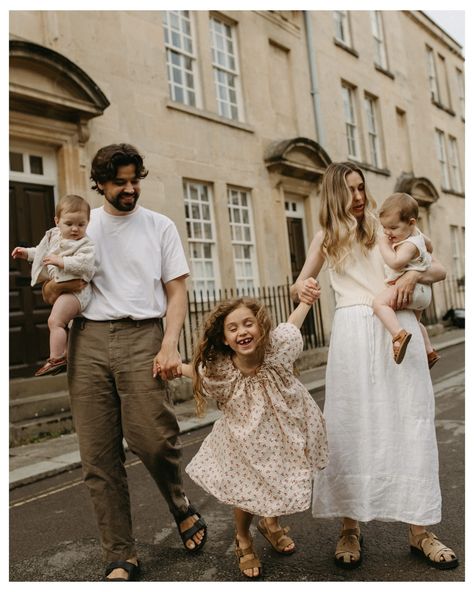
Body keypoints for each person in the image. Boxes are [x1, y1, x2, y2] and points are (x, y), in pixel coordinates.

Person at [42, 143, 207, 581]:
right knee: (98, 455)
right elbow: (49, 284)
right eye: (120, 182)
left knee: (153, 439)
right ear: (100, 184)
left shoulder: (159, 226)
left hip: (143, 336)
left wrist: (170, 343)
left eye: (135, 180)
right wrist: (55, 288)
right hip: (88, 339)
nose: (130, 188)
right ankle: (120, 552)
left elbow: (176, 292)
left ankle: (179, 502)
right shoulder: (80, 224)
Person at [291, 162, 458, 571]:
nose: (360, 196)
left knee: (411, 424)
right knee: (350, 427)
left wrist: (412, 276)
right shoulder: (326, 236)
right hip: (351, 335)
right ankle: (350, 527)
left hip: (396, 328)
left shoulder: (387, 227)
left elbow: (438, 268)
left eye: (362, 187)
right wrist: (302, 286)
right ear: (334, 193)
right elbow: (299, 281)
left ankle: (420, 531)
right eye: (351, 190)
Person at [178, 296, 328, 578]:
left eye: (248, 324)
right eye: (233, 328)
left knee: (277, 478)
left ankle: (270, 525)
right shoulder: (222, 370)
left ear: (261, 327)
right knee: (247, 489)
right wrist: (173, 368)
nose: (242, 332)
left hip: (282, 431)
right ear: (224, 339)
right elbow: (196, 372)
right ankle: (243, 538)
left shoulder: (279, 349)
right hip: (244, 439)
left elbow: (292, 325)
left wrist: (306, 300)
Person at [11, 194, 95, 377]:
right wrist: (26, 253)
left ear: (88, 222)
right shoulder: (53, 236)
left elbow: (86, 264)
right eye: (69, 223)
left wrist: (62, 261)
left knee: (55, 321)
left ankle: (56, 358)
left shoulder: (86, 244)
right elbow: (42, 253)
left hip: (77, 292)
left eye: (81, 224)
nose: (75, 229)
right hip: (62, 288)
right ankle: (65, 354)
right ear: (57, 221)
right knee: (63, 323)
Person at [373, 192, 440, 367]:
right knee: (416, 323)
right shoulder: (417, 235)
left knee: (379, 304)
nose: (388, 233)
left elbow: (396, 263)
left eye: (393, 228)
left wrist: (383, 245)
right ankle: (429, 352)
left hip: (411, 290)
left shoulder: (409, 244)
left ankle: (398, 334)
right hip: (424, 293)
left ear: (411, 223)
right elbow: (430, 245)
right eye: (384, 227)